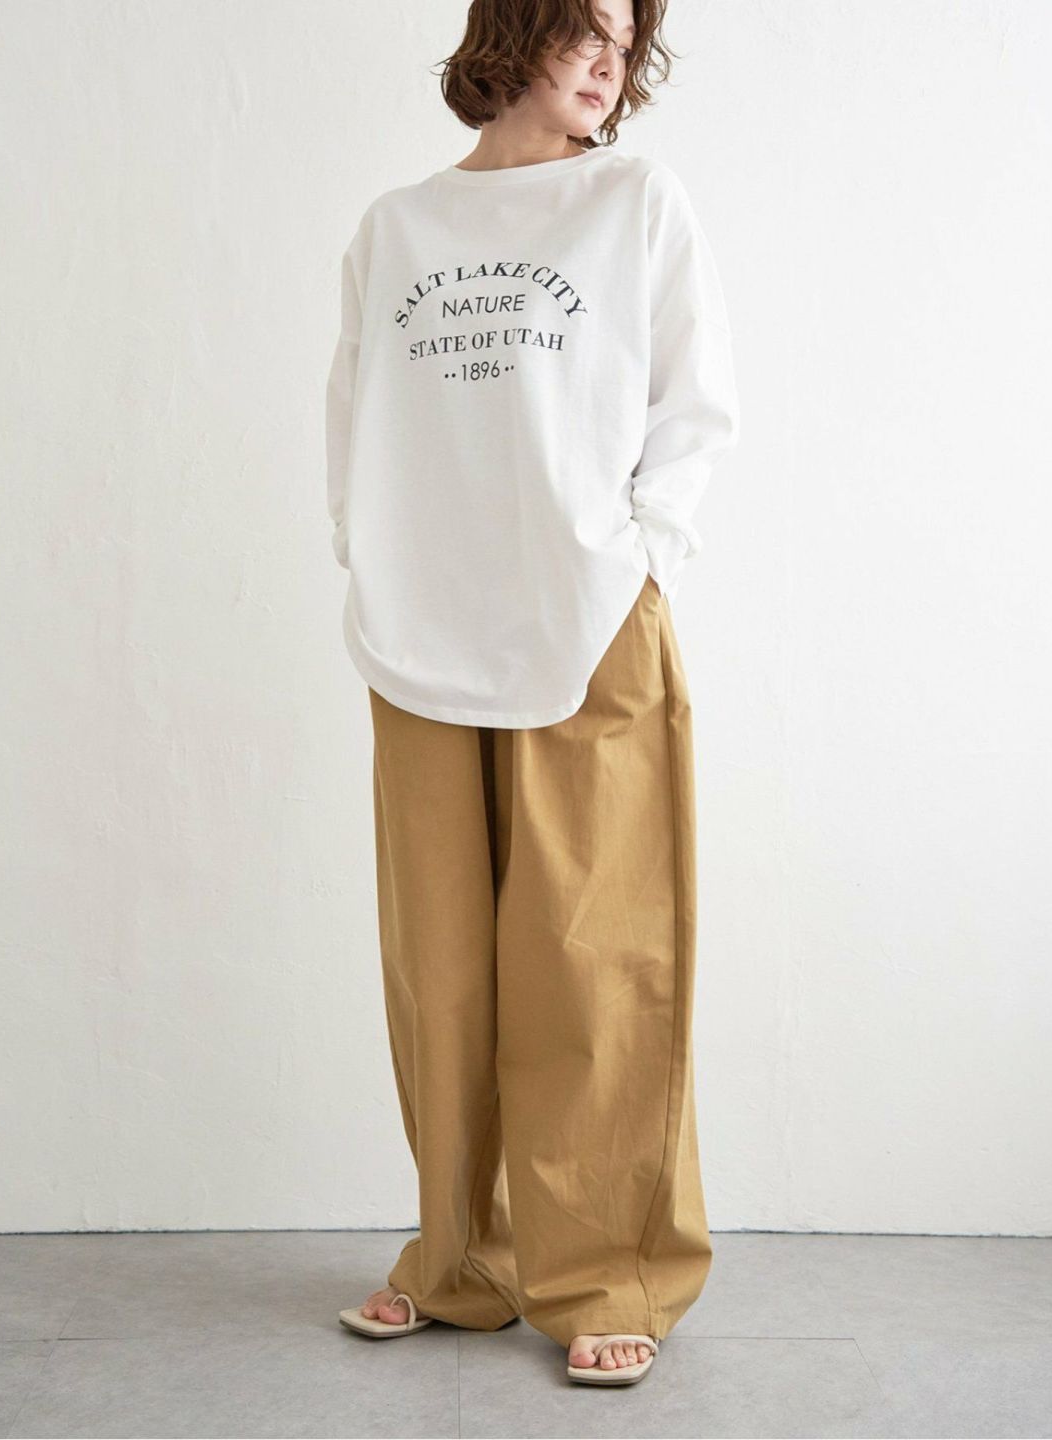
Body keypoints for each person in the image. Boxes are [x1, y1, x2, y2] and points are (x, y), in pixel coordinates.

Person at [324, 0, 738, 1387]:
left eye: (627, 36)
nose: (611, 56)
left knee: (594, 955)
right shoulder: (398, 228)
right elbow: (353, 415)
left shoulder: (634, 200)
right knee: (440, 969)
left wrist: (639, 554)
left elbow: (694, 401)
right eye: (584, 26)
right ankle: (460, 1258)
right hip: (422, 629)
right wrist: (369, 561)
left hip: (588, 618)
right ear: (513, 29)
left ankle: (609, 1270)